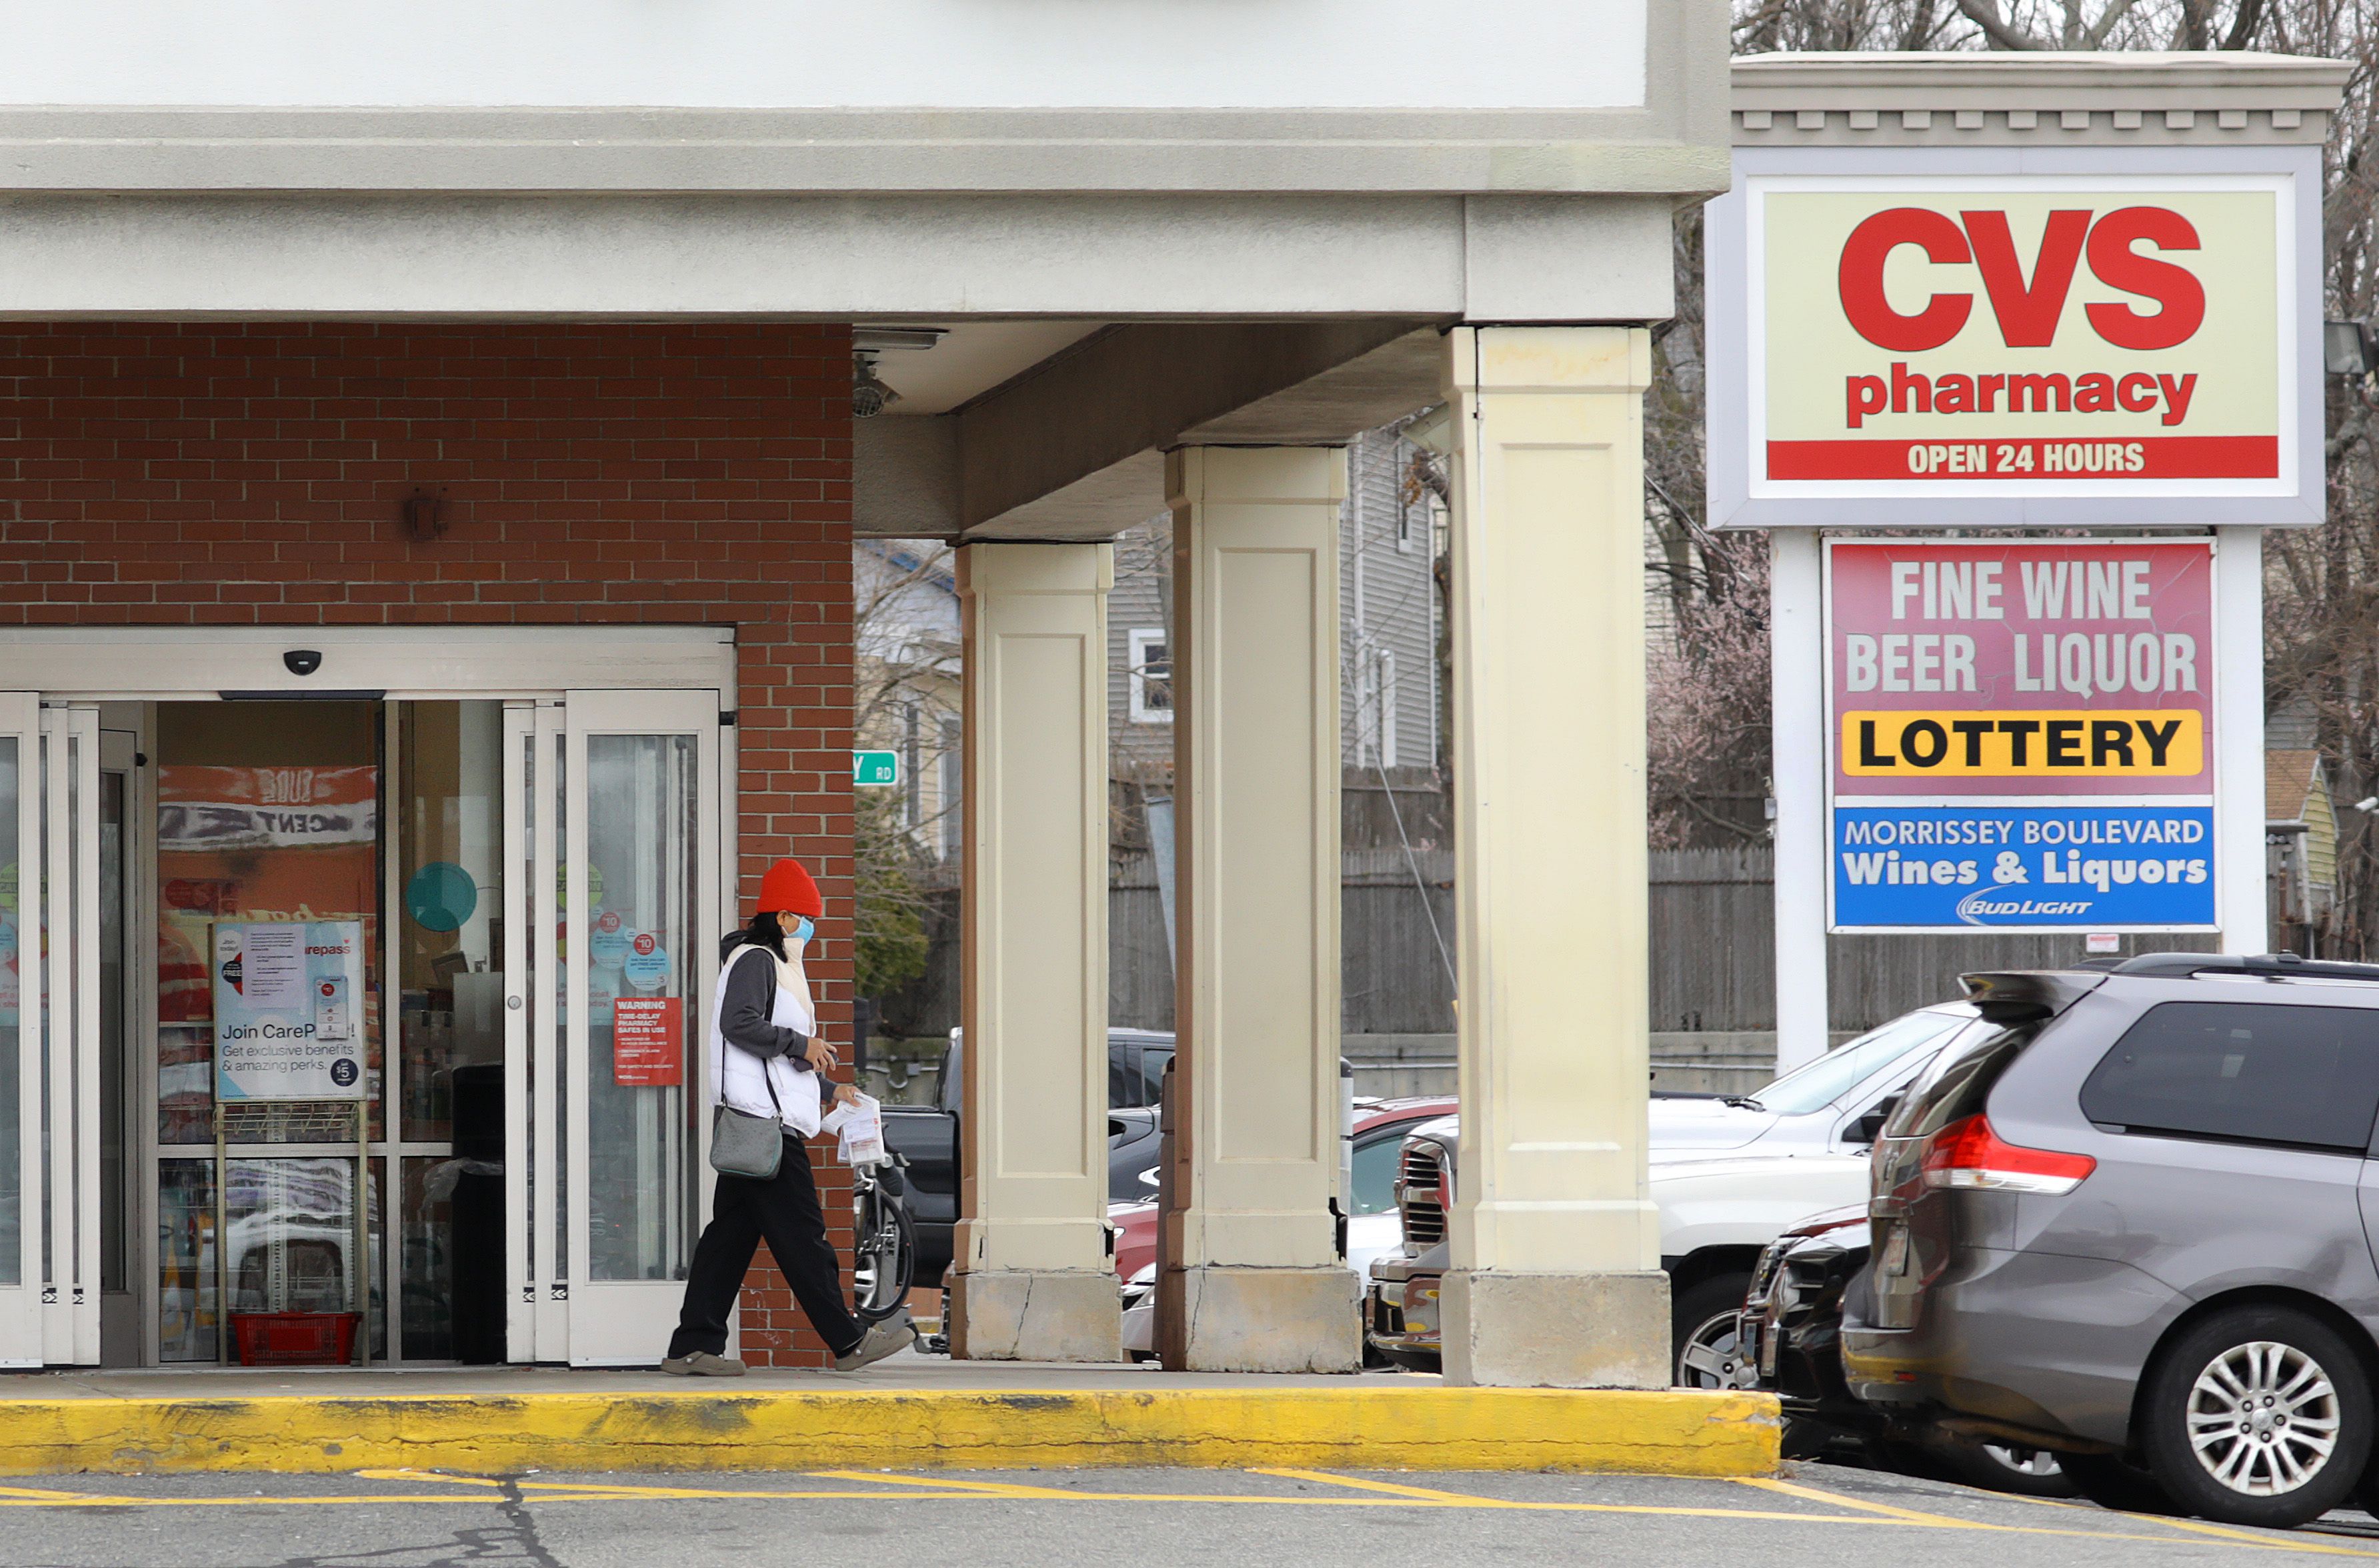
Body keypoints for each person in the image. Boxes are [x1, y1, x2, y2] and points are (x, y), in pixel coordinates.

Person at [663, 857, 917, 1375]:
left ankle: (692, 1345)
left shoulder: (768, 964)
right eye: (805, 917)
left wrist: (829, 1087)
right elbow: (740, 1025)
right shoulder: (757, 960)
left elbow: (772, 1060)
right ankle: (849, 1342)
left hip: (758, 1123)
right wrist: (802, 1042)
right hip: (766, 1130)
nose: (810, 927)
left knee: (727, 1244)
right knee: (806, 1238)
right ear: (782, 918)